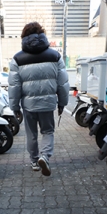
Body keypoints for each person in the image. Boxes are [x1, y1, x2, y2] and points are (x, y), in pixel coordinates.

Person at [8, 22, 69, 176]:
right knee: (47, 131)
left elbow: (14, 86)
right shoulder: (55, 56)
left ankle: (35, 161)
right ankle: (45, 156)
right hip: (48, 104)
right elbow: (62, 83)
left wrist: (15, 107)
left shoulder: (17, 59)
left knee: (31, 134)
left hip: (28, 105)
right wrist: (62, 103)